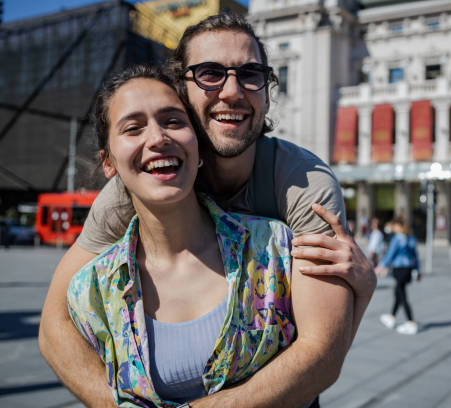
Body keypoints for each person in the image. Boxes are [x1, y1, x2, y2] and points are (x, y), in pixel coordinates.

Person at [39, 14, 375, 407]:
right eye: (210, 73)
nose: (232, 91)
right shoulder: (130, 191)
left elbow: (321, 352)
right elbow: (54, 324)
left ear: (267, 92)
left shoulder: (304, 184)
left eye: (251, 73)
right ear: (180, 90)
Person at [375, 218, 420, 335]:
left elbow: (390, 254)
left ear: (398, 226)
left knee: (402, 294)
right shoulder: (411, 238)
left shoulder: (397, 239)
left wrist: (380, 266)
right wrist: (417, 270)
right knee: (399, 292)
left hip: (399, 268)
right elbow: (415, 255)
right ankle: (392, 317)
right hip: (408, 269)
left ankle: (411, 322)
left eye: (394, 226)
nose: (393, 228)